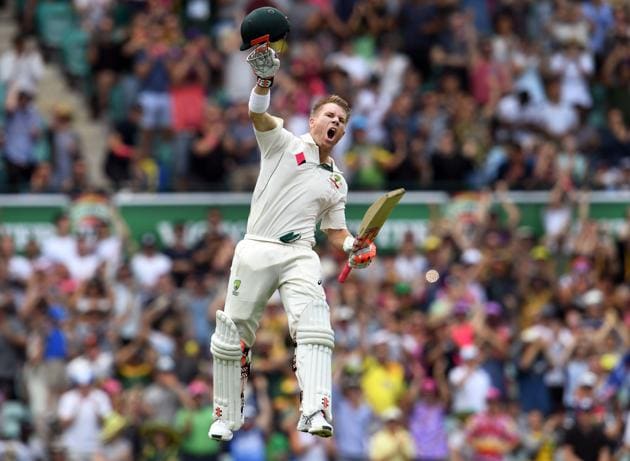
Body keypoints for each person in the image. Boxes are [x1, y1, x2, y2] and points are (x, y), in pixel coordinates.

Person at [208, 26, 378, 442]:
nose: (335, 122)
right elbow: (257, 115)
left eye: (342, 120)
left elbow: (335, 232)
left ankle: (315, 409)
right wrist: (264, 82)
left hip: (301, 253)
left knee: (315, 324)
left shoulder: (337, 181)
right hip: (257, 247)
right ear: (313, 120)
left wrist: (354, 246)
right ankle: (226, 415)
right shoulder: (284, 143)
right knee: (232, 336)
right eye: (329, 116)